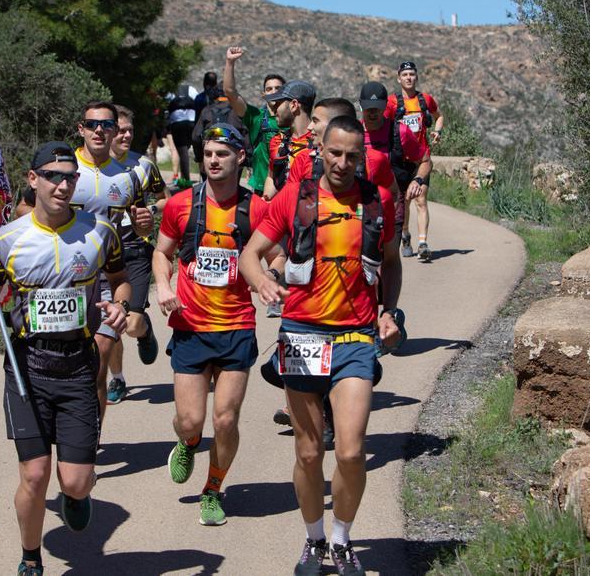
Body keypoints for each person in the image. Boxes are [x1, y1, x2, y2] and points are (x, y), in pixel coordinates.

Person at [239, 116, 403, 576]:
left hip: (354, 336)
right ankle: (313, 539)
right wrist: (263, 283)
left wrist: (388, 311)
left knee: (350, 451)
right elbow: (251, 254)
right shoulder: (296, 197)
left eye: (353, 155)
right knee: (309, 452)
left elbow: (390, 262)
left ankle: (342, 538)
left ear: (362, 155)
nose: (343, 163)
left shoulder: (377, 201)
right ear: (320, 150)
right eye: (335, 153)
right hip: (302, 334)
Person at [0, 141, 130, 576]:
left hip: (78, 363)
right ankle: (30, 556)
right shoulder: (5, 241)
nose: (62, 184)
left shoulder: (100, 232)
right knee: (35, 475)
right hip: (28, 365)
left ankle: (76, 497)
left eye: (70, 176)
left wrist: (121, 305)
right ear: (33, 180)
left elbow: (119, 277)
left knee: (75, 480)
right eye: (53, 176)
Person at [154, 125, 279, 526]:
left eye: (222, 153)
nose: (212, 160)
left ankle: (213, 490)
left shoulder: (257, 209)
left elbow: (277, 255)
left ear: (240, 157)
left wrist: (267, 279)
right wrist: (162, 284)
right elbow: (162, 252)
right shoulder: (180, 205)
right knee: (191, 420)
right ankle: (189, 442)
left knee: (225, 418)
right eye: (207, 153)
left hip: (237, 327)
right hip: (190, 325)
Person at [68, 102, 153, 419]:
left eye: (106, 125)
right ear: (82, 129)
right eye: (92, 125)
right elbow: (26, 211)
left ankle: (88, 442)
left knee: (101, 354)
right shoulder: (63, 168)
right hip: (66, 280)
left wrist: (145, 223)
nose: (99, 131)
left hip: (109, 278)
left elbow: (141, 221)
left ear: (115, 130)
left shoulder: (128, 178)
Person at [108, 105, 169, 402]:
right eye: (120, 130)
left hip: (134, 251)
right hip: (99, 259)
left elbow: (164, 200)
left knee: (130, 323)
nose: (127, 135)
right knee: (111, 325)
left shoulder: (143, 165)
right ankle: (117, 379)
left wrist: (150, 212)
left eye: (130, 130)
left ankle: (145, 333)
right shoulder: (83, 170)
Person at [384, 61, 440, 260]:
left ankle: (423, 243)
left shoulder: (425, 99)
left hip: (421, 159)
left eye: (412, 74)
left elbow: (439, 116)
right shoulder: (392, 102)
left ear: (416, 77)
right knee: (404, 202)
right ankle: (406, 235)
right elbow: (384, 126)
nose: (409, 78)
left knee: (421, 200)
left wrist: (437, 131)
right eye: (405, 74)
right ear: (399, 78)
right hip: (400, 161)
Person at [222, 46, 286, 195]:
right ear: (263, 94)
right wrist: (230, 62)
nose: (273, 92)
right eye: (269, 89)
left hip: (289, 190)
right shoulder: (256, 117)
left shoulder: (294, 119)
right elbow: (230, 93)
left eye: (278, 88)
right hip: (261, 188)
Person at [263, 80, 318, 200]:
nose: (273, 108)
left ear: (293, 105)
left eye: (278, 104)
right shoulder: (277, 140)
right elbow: (272, 178)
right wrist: (265, 203)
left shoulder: (319, 142)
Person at [165, 86, 197, 185]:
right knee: (185, 150)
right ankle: (185, 177)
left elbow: (166, 109)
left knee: (182, 152)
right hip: (191, 122)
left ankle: (186, 180)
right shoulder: (191, 89)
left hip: (177, 123)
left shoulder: (171, 91)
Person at [357, 81, 392, 155]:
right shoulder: (353, 133)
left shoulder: (400, 131)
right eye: (368, 107)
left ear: (386, 104)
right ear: (360, 105)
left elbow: (422, 160)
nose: (372, 112)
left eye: (377, 107)